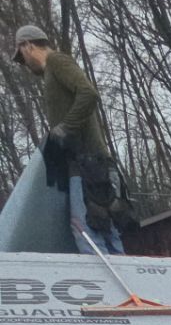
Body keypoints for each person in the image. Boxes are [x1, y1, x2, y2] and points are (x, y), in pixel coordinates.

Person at [12, 25, 127, 254]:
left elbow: (89, 93)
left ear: (28, 45)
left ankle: (103, 287)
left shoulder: (58, 62)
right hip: (90, 164)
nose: (24, 64)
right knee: (103, 225)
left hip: (87, 164)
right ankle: (126, 282)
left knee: (84, 228)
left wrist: (65, 127)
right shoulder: (52, 72)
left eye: (21, 57)